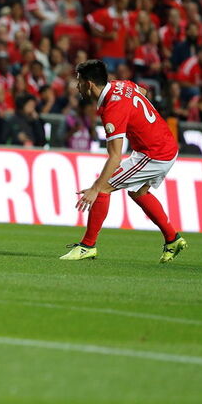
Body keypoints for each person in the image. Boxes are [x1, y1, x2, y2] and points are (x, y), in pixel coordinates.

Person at [60, 60, 186, 263]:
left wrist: (94, 188)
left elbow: (115, 156)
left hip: (154, 153)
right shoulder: (122, 85)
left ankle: (87, 246)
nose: (77, 86)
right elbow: (143, 93)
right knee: (138, 192)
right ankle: (172, 238)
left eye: (79, 81)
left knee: (103, 188)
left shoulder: (113, 109)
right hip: (164, 144)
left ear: (89, 84)